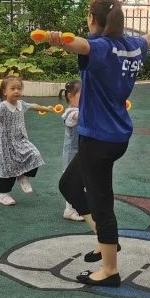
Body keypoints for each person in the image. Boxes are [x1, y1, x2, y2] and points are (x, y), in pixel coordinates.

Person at [51, 0, 150, 287]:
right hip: (115, 135)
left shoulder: (100, 46)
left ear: (92, 19)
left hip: (98, 138)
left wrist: (57, 39)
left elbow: (81, 45)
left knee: (101, 202)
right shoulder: (131, 45)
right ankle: (105, 240)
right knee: (69, 185)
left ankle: (110, 270)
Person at [0, 76, 52, 207]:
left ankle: (23, 176)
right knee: (7, 167)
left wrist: (46, 108)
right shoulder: (2, 106)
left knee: (35, 154)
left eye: (19, 88)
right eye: (12, 88)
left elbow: (34, 106)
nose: (16, 91)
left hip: (20, 139)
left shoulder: (21, 104)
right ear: (4, 91)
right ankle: (4, 195)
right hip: (5, 143)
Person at [58, 80, 84, 221]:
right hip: (71, 156)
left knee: (81, 182)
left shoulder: (80, 110)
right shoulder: (70, 113)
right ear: (70, 96)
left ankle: (79, 207)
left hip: (81, 154)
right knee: (72, 183)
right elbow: (79, 116)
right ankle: (69, 210)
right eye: (82, 95)